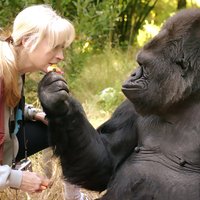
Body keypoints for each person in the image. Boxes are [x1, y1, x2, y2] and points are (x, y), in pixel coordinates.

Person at [0, 4, 86, 199]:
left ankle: (74, 197)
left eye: (62, 48)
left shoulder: (15, 68)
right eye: (55, 47)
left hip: (6, 147)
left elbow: (6, 109)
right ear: (27, 40)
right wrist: (17, 178)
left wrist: (33, 113)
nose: (61, 56)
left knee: (63, 126)